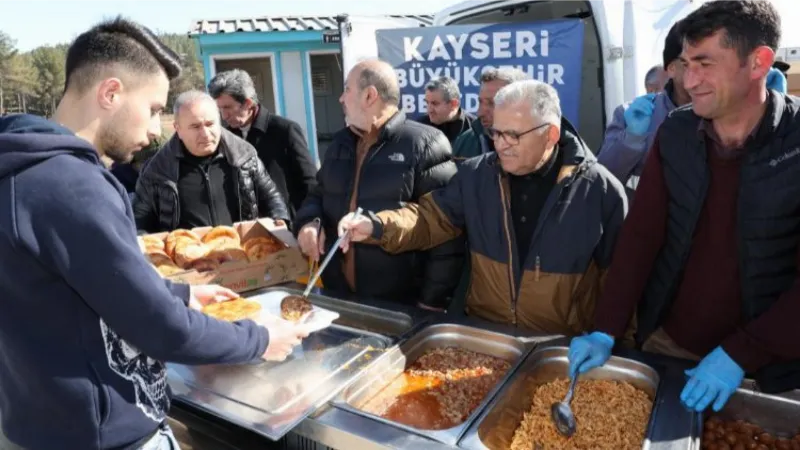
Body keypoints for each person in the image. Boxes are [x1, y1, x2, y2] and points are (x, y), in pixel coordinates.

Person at [0, 18, 311, 450]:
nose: (153, 131)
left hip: (40, 421)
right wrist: (260, 339)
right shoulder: (73, 185)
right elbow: (159, 328)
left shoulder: (20, 174)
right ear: (110, 93)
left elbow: (87, 284)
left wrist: (182, 294)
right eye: (152, 109)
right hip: (104, 436)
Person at [569, 0, 800, 415]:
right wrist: (606, 328)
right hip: (670, 344)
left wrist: (742, 353)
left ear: (758, 61)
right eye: (684, 63)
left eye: (705, 63)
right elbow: (642, 234)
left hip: (773, 367)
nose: (689, 81)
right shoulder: (676, 131)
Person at [336, 80, 627, 333]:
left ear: (550, 134)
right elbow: (429, 218)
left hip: (562, 346)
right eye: (496, 134)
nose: (501, 145)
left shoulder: (598, 190)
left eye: (513, 135)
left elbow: (624, 279)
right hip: (488, 336)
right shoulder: (477, 175)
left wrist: (609, 336)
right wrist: (376, 225)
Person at [294, 59, 464, 311]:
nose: (341, 98)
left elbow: (447, 232)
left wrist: (431, 302)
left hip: (400, 305)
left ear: (370, 96)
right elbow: (318, 195)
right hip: (339, 297)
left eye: (347, 90)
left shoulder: (424, 143)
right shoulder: (341, 143)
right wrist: (310, 222)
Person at [134, 90, 290, 233]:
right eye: (195, 127)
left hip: (242, 255)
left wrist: (280, 219)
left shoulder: (244, 155)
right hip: (186, 259)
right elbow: (140, 222)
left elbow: (271, 196)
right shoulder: (157, 170)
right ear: (178, 129)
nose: (205, 134)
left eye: (210, 124)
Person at [208, 69, 318, 218]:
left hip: (285, 225)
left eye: (228, 107)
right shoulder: (226, 137)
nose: (224, 115)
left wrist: (307, 220)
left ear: (248, 103)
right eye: (219, 109)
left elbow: (310, 182)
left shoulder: (284, 130)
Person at [597, 22, 691, 197]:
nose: (701, 72)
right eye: (690, 62)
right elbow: (603, 182)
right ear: (671, 68)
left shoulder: (725, 110)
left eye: (709, 62)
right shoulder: (632, 114)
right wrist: (632, 139)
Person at [451, 68, 529, 160]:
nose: (480, 113)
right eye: (480, 102)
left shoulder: (538, 145)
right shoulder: (464, 143)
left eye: (492, 103)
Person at [416, 76, 475, 144]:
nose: (429, 110)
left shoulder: (475, 128)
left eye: (435, 103)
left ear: (454, 104)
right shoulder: (420, 127)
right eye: (427, 102)